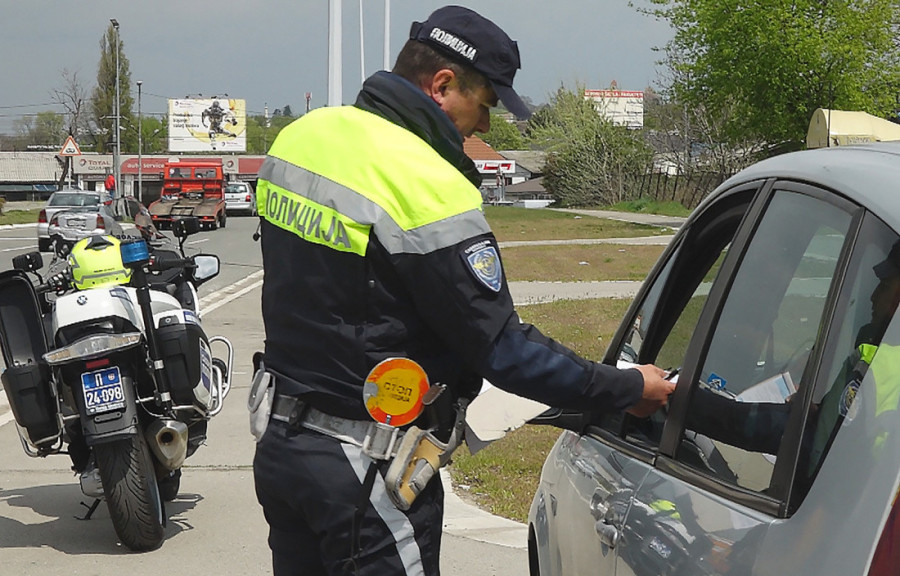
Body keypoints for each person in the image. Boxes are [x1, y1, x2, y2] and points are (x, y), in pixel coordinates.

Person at [251, 6, 675, 575]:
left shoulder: (303, 137)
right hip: (365, 470)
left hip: (281, 446)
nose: (486, 127)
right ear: (444, 86)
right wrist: (626, 386)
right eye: (486, 105)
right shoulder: (426, 183)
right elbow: (504, 349)